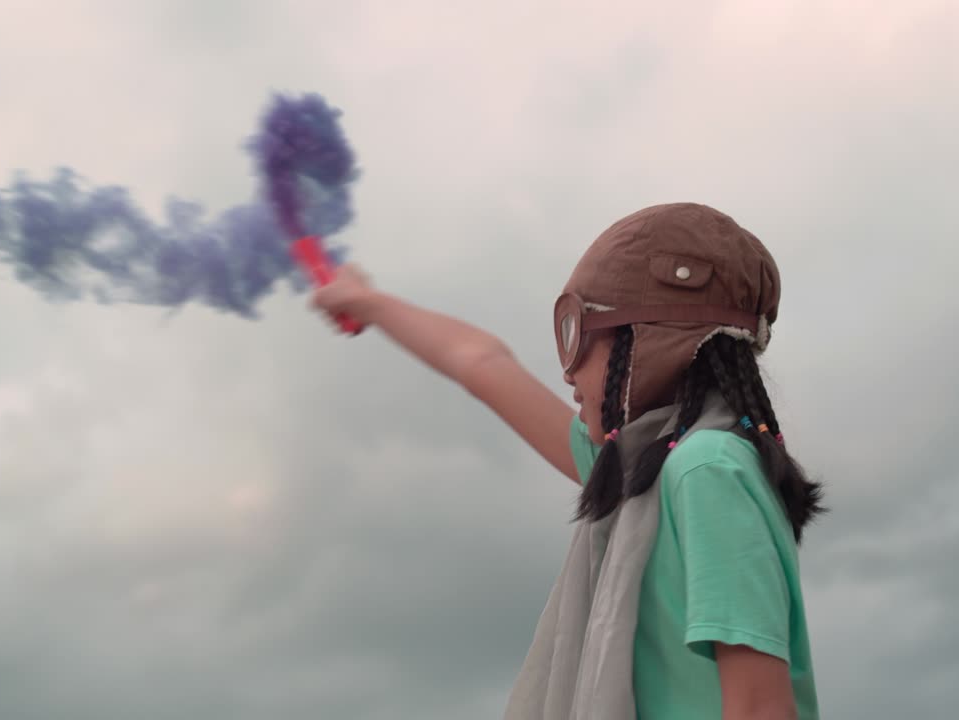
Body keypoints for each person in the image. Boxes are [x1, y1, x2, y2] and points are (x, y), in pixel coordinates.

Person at [311, 202, 824, 720]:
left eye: (576, 335)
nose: (568, 373)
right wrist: (368, 302)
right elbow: (482, 363)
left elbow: (761, 708)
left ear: (644, 340)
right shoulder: (640, 471)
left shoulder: (708, 470)